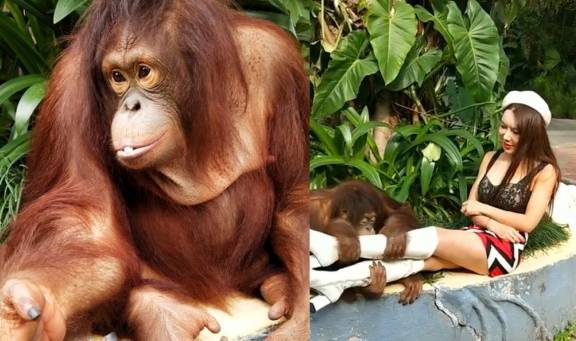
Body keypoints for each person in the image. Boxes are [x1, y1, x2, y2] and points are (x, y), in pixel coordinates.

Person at [310, 90, 561, 304]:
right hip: (475, 234)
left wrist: (484, 211)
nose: (506, 136)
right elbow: (470, 208)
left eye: (515, 131)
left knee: (434, 236)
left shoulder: (544, 171)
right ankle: (331, 282)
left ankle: (331, 249)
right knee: (416, 264)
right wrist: (492, 222)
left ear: (532, 133)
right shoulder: (491, 158)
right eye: (503, 126)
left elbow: (527, 223)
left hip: (502, 250)